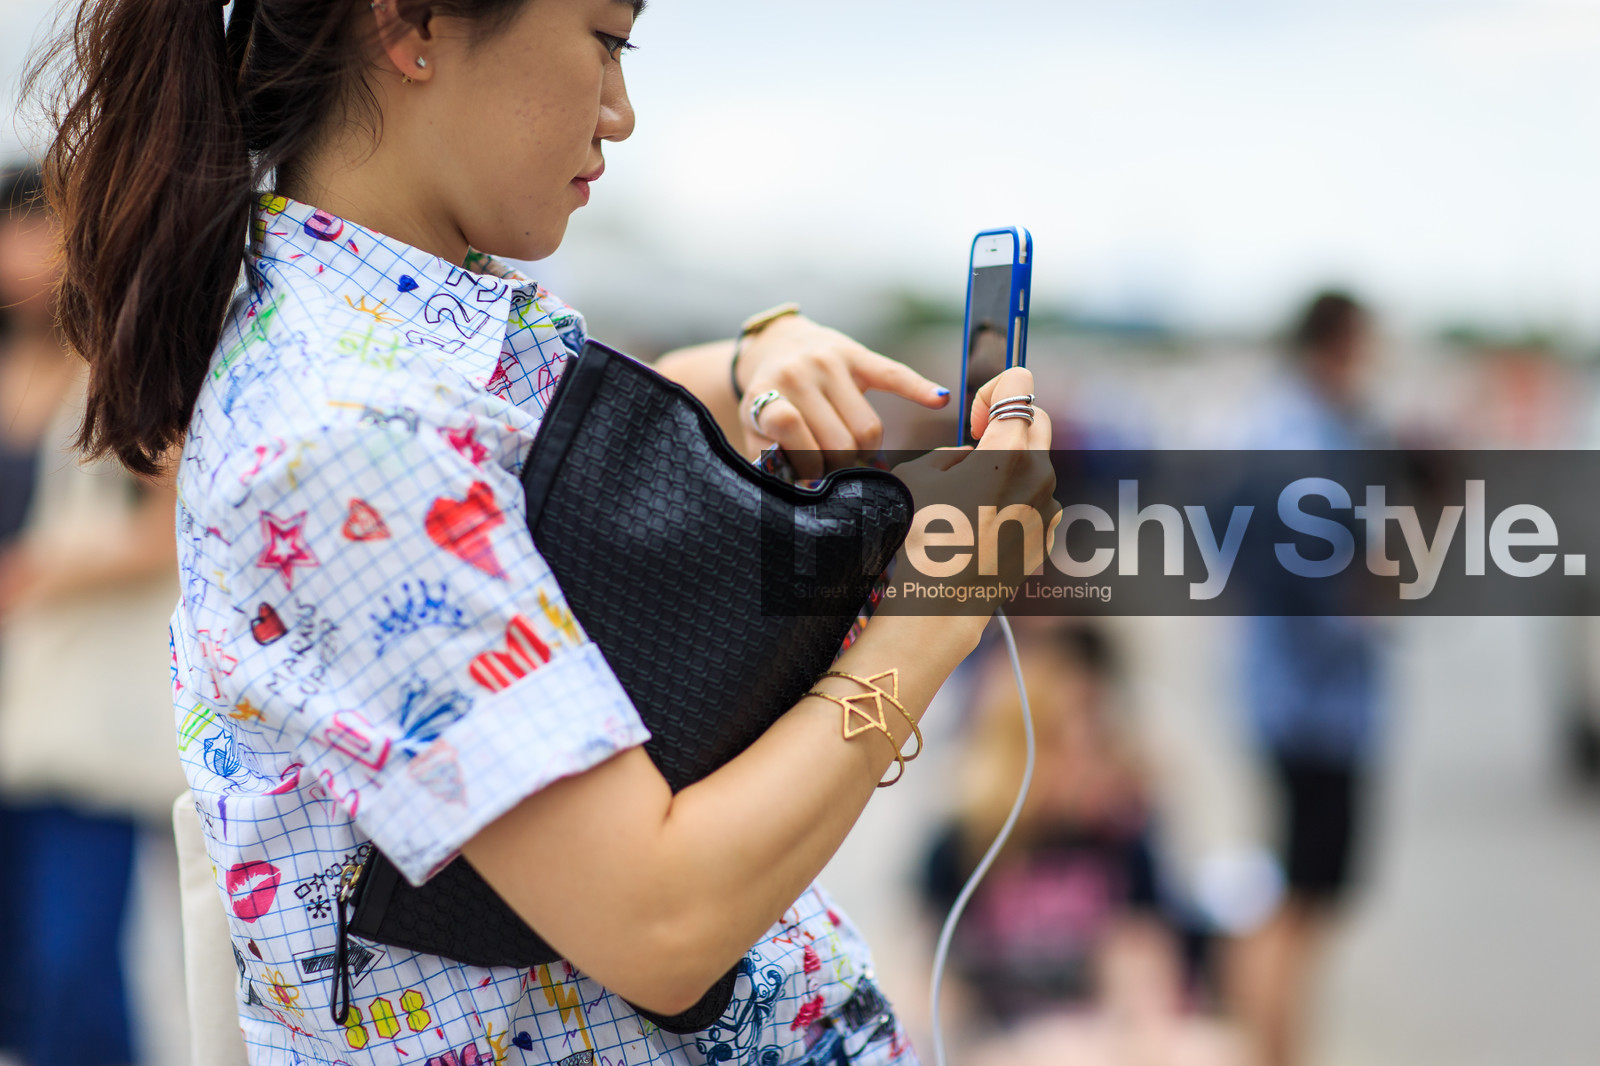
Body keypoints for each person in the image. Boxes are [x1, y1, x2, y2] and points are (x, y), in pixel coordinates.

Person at [27, 1, 1058, 1064]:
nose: (620, 112)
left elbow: (544, 438)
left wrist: (754, 358)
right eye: (608, 40)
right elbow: (658, 924)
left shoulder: (371, 328)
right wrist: (939, 604)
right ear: (413, 24)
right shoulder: (352, 439)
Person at [0, 161, 186, 1066]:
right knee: (18, 986)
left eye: (41, 224)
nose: (21, 247)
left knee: (71, 967)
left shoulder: (123, 363)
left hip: (75, 711)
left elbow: (172, 527)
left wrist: (34, 575)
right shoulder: (12, 366)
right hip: (14, 695)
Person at [918, 620, 1249, 1066]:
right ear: (1017, 744)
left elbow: (1147, 978)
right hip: (1007, 1039)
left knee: (1214, 1051)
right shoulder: (965, 845)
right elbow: (929, 989)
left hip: (1104, 1034)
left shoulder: (1120, 838)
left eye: (1095, 735)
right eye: (1063, 739)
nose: (1086, 752)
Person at [1223, 291, 1389, 1066]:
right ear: (1340, 344)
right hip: (1314, 705)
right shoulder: (1305, 441)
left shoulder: (1276, 424)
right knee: (1299, 903)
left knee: (1298, 896)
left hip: (1286, 695)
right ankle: (1274, 1051)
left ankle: (1276, 1046)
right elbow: (1336, 590)